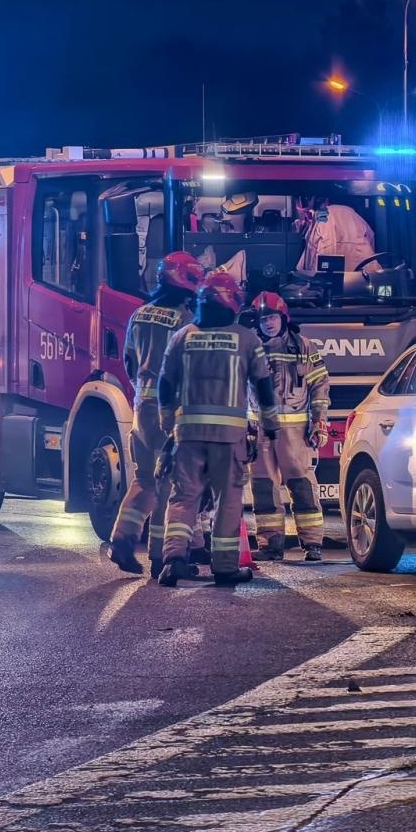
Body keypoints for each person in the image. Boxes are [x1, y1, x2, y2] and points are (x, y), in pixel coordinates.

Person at [156, 271, 280, 586]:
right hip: (229, 439)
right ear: (232, 302)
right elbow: (264, 387)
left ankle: (172, 560)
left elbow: (165, 384)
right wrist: (270, 424)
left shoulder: (183, 336)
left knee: (183, 498)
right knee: (229, 499)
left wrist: (166, 422)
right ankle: (224, 567)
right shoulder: (247, 339)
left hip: (188, 437)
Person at [106, 251, 204, 576]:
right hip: (169, 410)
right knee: (171, 484)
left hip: (141, 406)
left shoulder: (139, 313)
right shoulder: (184, 319)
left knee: (144, 478)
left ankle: (121, 539)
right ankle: (161, 558)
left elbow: (128, 360)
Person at [246, 292, 330, 562]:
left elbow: (319, 385)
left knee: (302, 485)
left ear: (282, 317)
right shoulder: (248, 346)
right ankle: (270, 545)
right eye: (262, 319)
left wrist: (319, 421)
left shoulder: (304, 346)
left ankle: (312, 544)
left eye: (271, 317)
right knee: (263, 488)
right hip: (258, 431)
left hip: (295, 431)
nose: (267, 323)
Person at [295, 197, 378, 276]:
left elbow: (311, 246)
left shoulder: (323, 215)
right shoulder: (356, 216)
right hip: (360, 275)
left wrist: (305, 272)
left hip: (328, 274)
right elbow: (371, 237)